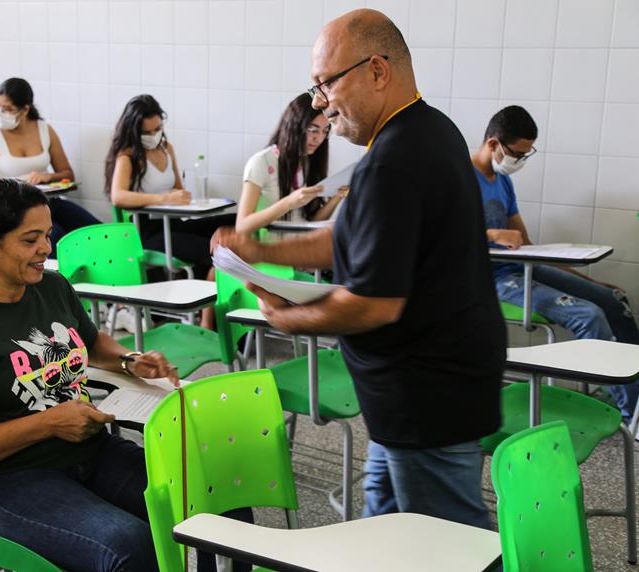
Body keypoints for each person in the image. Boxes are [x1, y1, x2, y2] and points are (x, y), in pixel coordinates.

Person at [212, 9, 504, 529]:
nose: (319, 103)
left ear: (377, 70)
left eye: (326, 84)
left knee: (446, 542)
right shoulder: (430, 129)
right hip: (412, 393)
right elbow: (348, 240)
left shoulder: (394, 161)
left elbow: (373, 305)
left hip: (426, 394)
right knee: (383, 525)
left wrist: (285, 319)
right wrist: (260, 251)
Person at [0, 179, 250, 572]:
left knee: (221, 499)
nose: (46, 248)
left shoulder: (51, 286)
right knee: (131, 547)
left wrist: (129, 360)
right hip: (8, 481)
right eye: (30, 240)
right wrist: (48, 424)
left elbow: (92, 343)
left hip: (89, 451)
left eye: (47, 235)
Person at [473, 105, 639, 419]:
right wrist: (492, 233)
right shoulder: (458, 177)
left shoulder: (502, 181)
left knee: (613, 299)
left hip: (519, 267)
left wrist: (590, 282)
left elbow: (528, 246)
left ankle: (634, 392)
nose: (520, 161)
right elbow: (440, 237)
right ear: (493, 143)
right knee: (589, 315)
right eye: (517, 154)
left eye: (526, 155)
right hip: (484, 278)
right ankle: (633, 413)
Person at [105, 95, 234, 328]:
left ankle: (219, 308)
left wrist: (181, 196)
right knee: (216, 251)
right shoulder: (127, 157)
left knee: (233, 224)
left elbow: (177, 187)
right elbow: (118, 196)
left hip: (172, 223)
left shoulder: (166, 148)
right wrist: (164, 198)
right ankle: (208, 321)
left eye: (157, 129)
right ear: (134, 131)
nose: (153, 135)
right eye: (147, 132)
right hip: (146, 233)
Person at [0, 78, 100, 257]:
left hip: (48, 203)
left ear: (25, 109)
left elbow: (67, 174)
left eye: (8, 109)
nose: (0, 113)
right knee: (55, 238)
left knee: (97, 232)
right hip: (12, 211)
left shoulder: (45, 130)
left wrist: (48, 177)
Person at [236, 93, 344, 236]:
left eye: (325, 131)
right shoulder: (262, 162)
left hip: (301, 246)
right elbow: (242, 227)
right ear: (294, 126)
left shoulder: (309, 161)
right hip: (270, 248)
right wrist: (289, 203)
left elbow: (311, 223)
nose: (319, 138)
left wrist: (338, 195)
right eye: (313, 130)